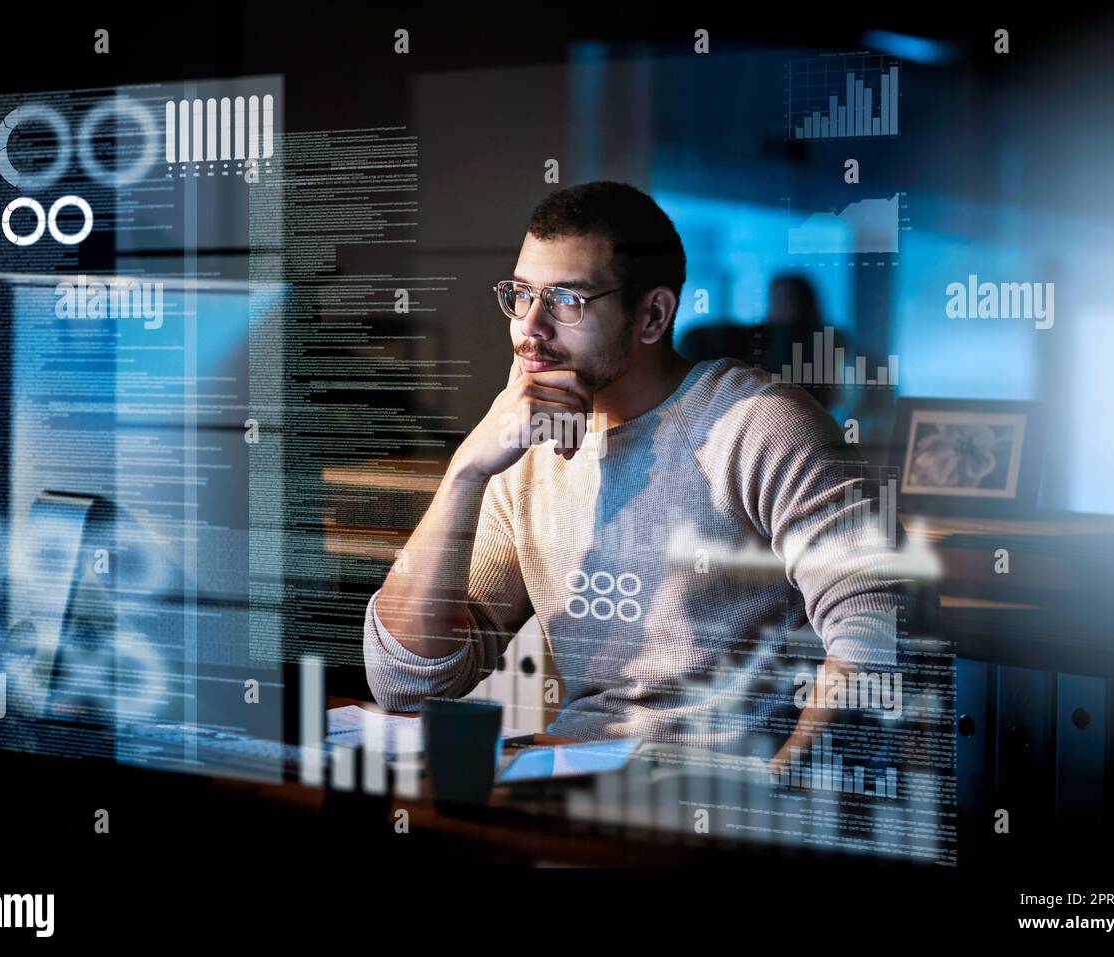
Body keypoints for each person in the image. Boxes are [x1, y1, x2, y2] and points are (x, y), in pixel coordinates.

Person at [364, 181, 910, 760]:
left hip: (725, 797)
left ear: (652, 315)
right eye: (522, 295)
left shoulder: (759, 425)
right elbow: (409, 683)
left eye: (566, 301)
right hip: (574, 784)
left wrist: (776, 796)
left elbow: (882, 631)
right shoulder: (522, 447)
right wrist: (465, 473)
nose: (530, 327)